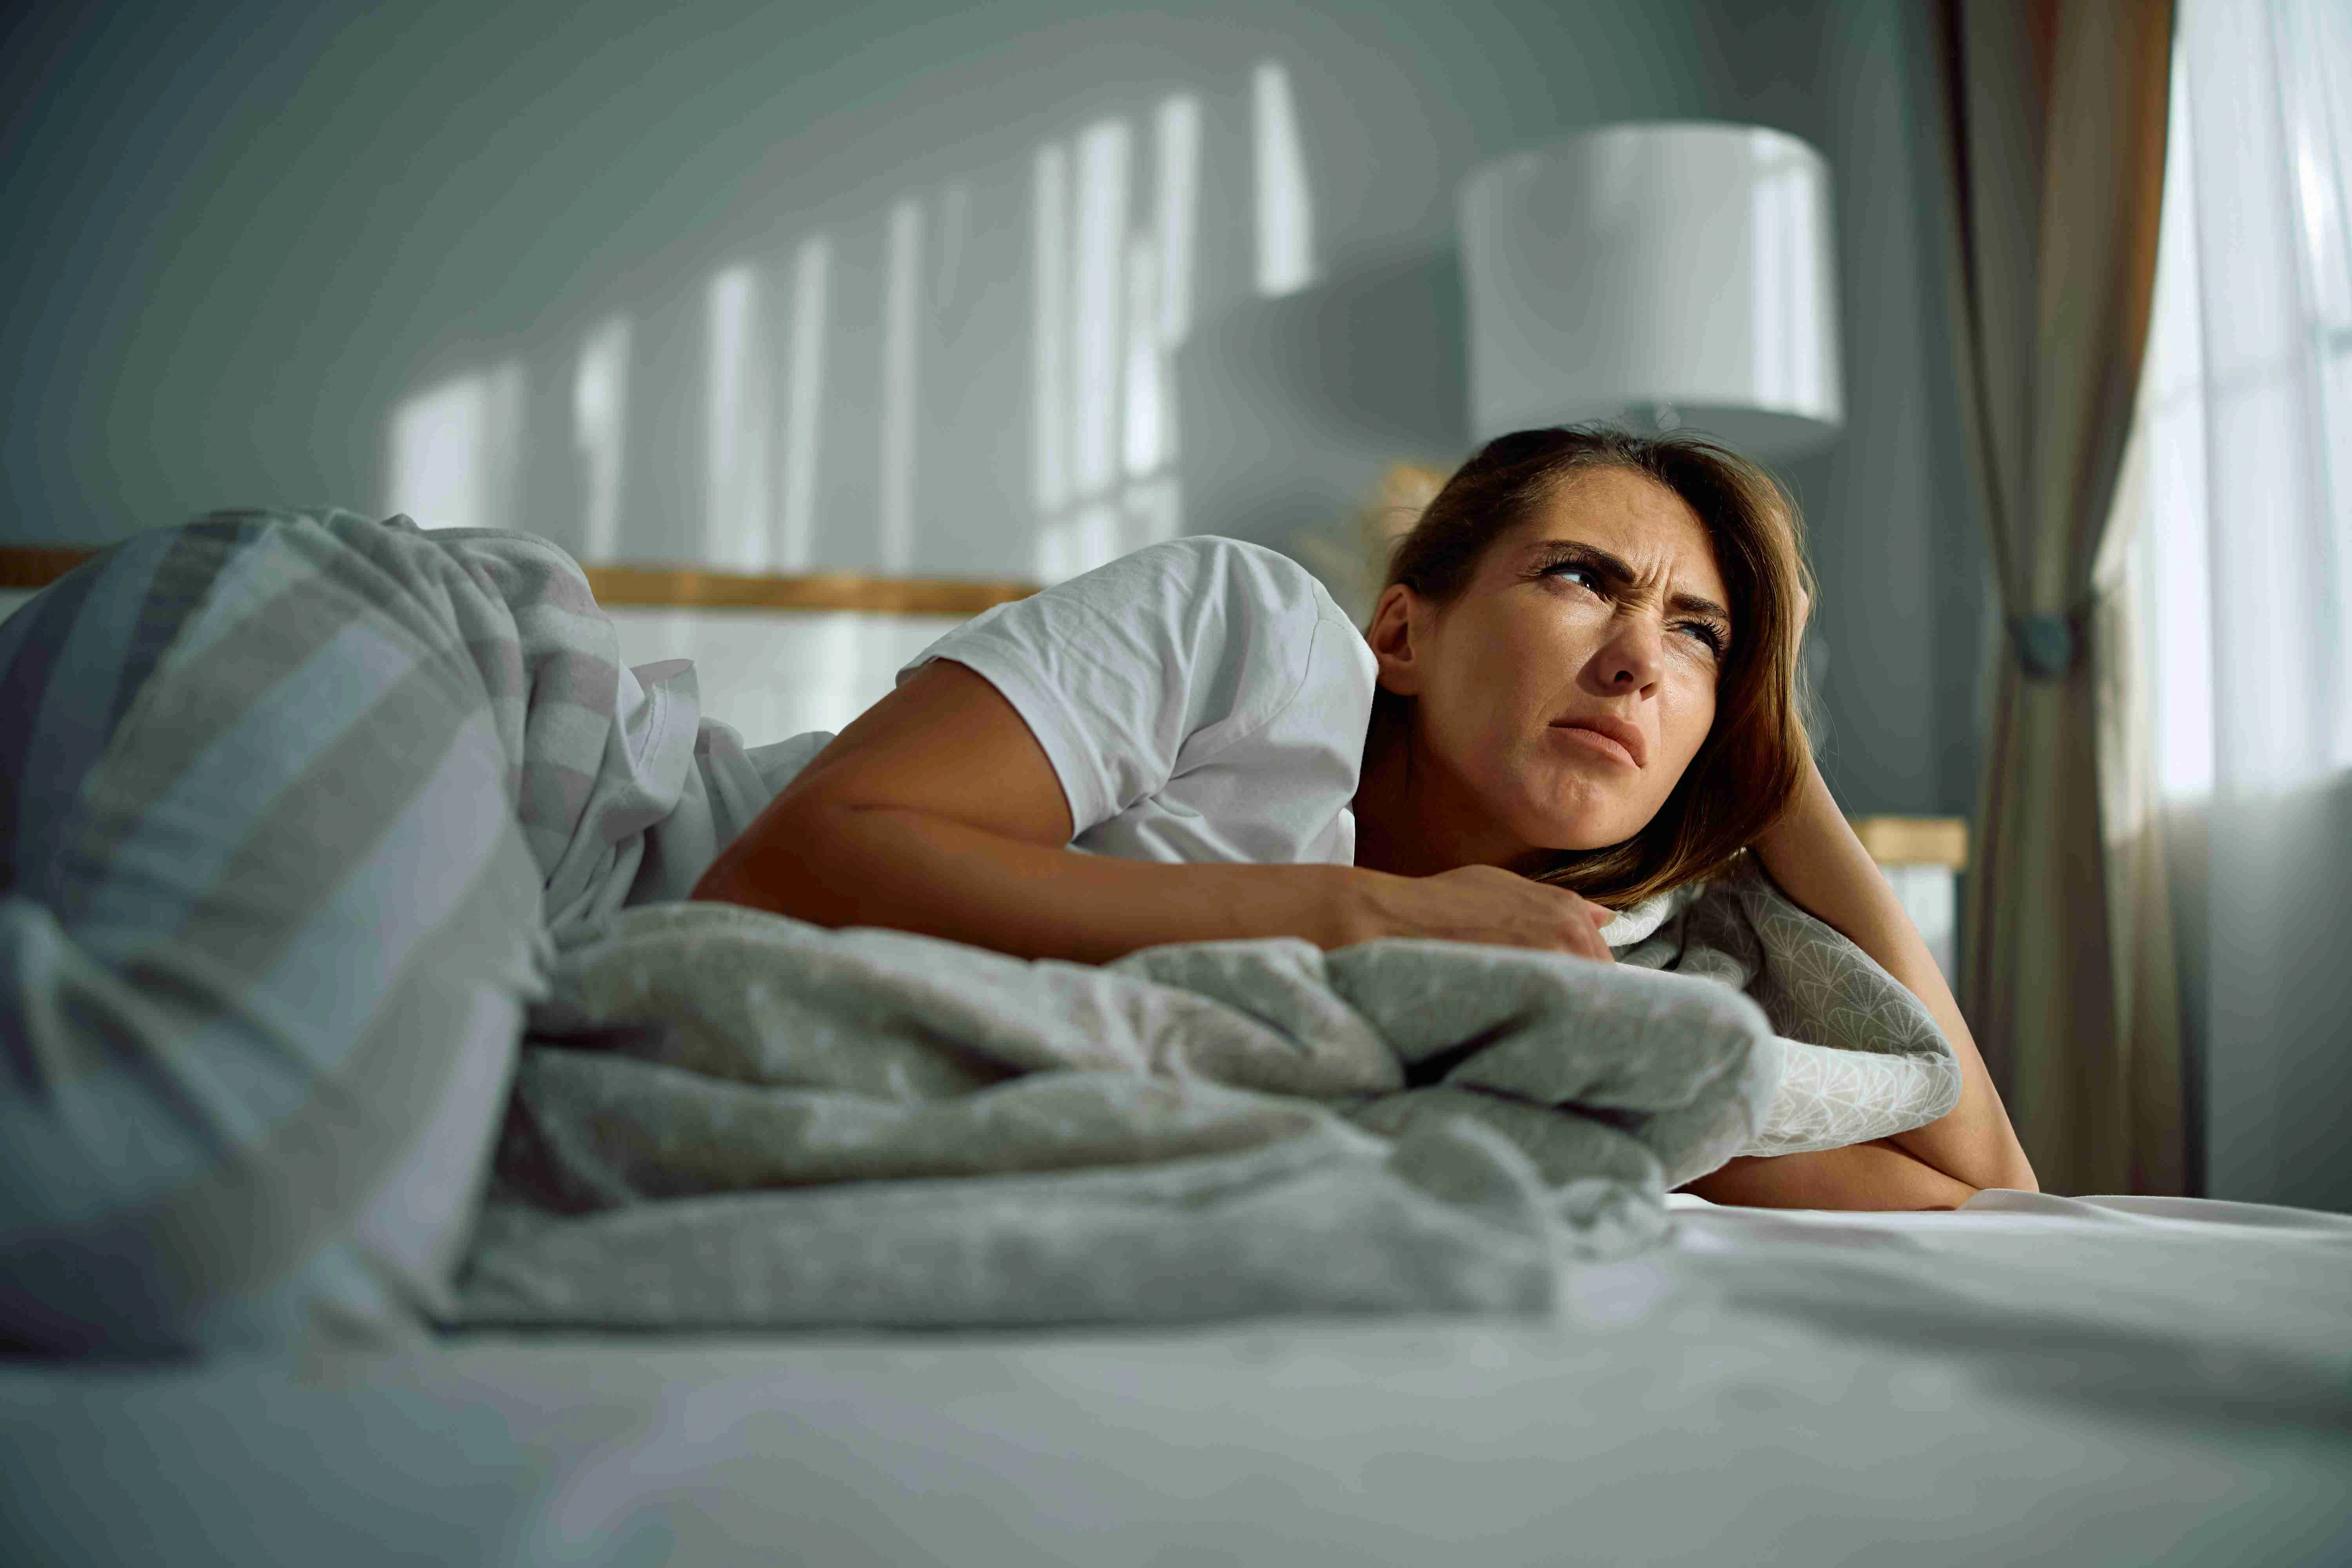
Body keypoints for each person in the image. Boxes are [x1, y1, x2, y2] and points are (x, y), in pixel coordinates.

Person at [693, 426, 2038, 1210]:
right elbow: (791, 867)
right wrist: (1378, 921)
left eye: (1700, 637)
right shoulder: (1251, 635)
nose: (1640, 660)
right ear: (1401, 627)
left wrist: (1774, 753)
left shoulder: (1601, 981)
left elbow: (1990, 1199)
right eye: (1584, 578)